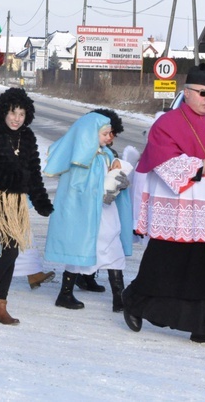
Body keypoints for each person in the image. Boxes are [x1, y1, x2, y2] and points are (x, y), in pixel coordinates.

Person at [122, 63, 205, 347]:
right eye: (202, 92)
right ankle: (134, 301)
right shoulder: (167, 123)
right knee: (165, 264)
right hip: (176, 207)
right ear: (186, 93)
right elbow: (162, 160)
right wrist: (201, 167)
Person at [0, 88, 53, 325]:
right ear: (3, 112)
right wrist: (12, 176)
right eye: (12, 112)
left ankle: (1, 305)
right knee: (11, 250)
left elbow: (34, 173)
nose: (17, 118)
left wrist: (40, 200)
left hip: (17, 202)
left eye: (21, 113)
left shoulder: (27, 137)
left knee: (11, 251)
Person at [44, 112, 134, 313]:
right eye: (105, 134)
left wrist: (119, 183)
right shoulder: (81, 158)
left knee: (114, 250)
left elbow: (113, 176)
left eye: (110, 133)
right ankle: (65, 293)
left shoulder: (107, 155)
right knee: (81, 250)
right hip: (87, 215)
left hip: (106, 213)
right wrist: (102, 190)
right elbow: (76, 190)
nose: (108, 138)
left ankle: (119, 297)